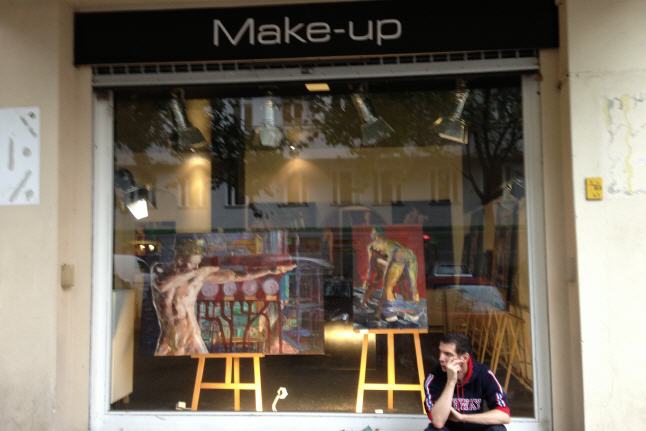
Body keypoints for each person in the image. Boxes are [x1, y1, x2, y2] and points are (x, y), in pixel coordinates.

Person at [151, 251, 296, 356]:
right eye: (189, 263)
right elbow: (163, 286)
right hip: (172, 336)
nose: (193, 267)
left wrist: (269, 270)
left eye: (195, 265)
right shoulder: (165, 275)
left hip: (193, 335)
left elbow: (237, 276)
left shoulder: (198, 277)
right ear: (179, 260)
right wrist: (199, 272)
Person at [424, 333, 510, 431]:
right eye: (440, 352)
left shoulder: (483, 374)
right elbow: (438, 422)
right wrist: (450, 382)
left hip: (476, 427)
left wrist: (462, 417)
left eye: (447, 354)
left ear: (464, 358)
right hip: (448, 428)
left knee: (498, 429)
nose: (441, 358)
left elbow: (504, 415)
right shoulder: (434, 377)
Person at [361, 226, 419, 321]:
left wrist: (368, 278)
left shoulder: (373, 246)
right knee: (411, 287)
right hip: (409, 255)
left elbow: (371, 266)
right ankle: (412, 314)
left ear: (376, 235)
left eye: (372, 233)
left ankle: (390, 315)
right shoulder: (391, 243)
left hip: (397, 258)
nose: (370, 234)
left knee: (388, 288)